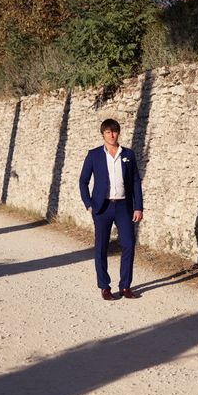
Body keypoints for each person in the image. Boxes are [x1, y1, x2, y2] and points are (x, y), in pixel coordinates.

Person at [79, 119, 143, 300]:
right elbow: (83, 181)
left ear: (118, 133)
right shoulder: (94, 155)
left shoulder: (128, 154)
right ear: (103, 135)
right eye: (108, 132)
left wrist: (138, 206)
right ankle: (105, 287)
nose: (112, 135)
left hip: (124, 206)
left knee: (129, 244)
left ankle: (125, 287)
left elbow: (136, 181)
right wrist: (89, 204)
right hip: (102, 207)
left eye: (114, 131)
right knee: (101, 247)